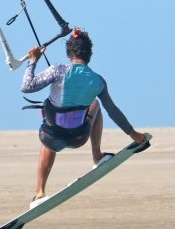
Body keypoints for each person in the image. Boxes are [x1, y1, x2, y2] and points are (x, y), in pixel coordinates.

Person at [21, 27, 150, 203]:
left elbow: (27, 87)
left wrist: (33, 61)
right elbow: (113, 111)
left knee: (50, 133)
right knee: (95, 104)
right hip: (79, 137)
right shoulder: (98, 80)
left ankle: (40, 192)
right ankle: (97, 156)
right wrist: (133, 134)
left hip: (51, 137)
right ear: (89, 54)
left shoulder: (57, 70)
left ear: (69, 52)